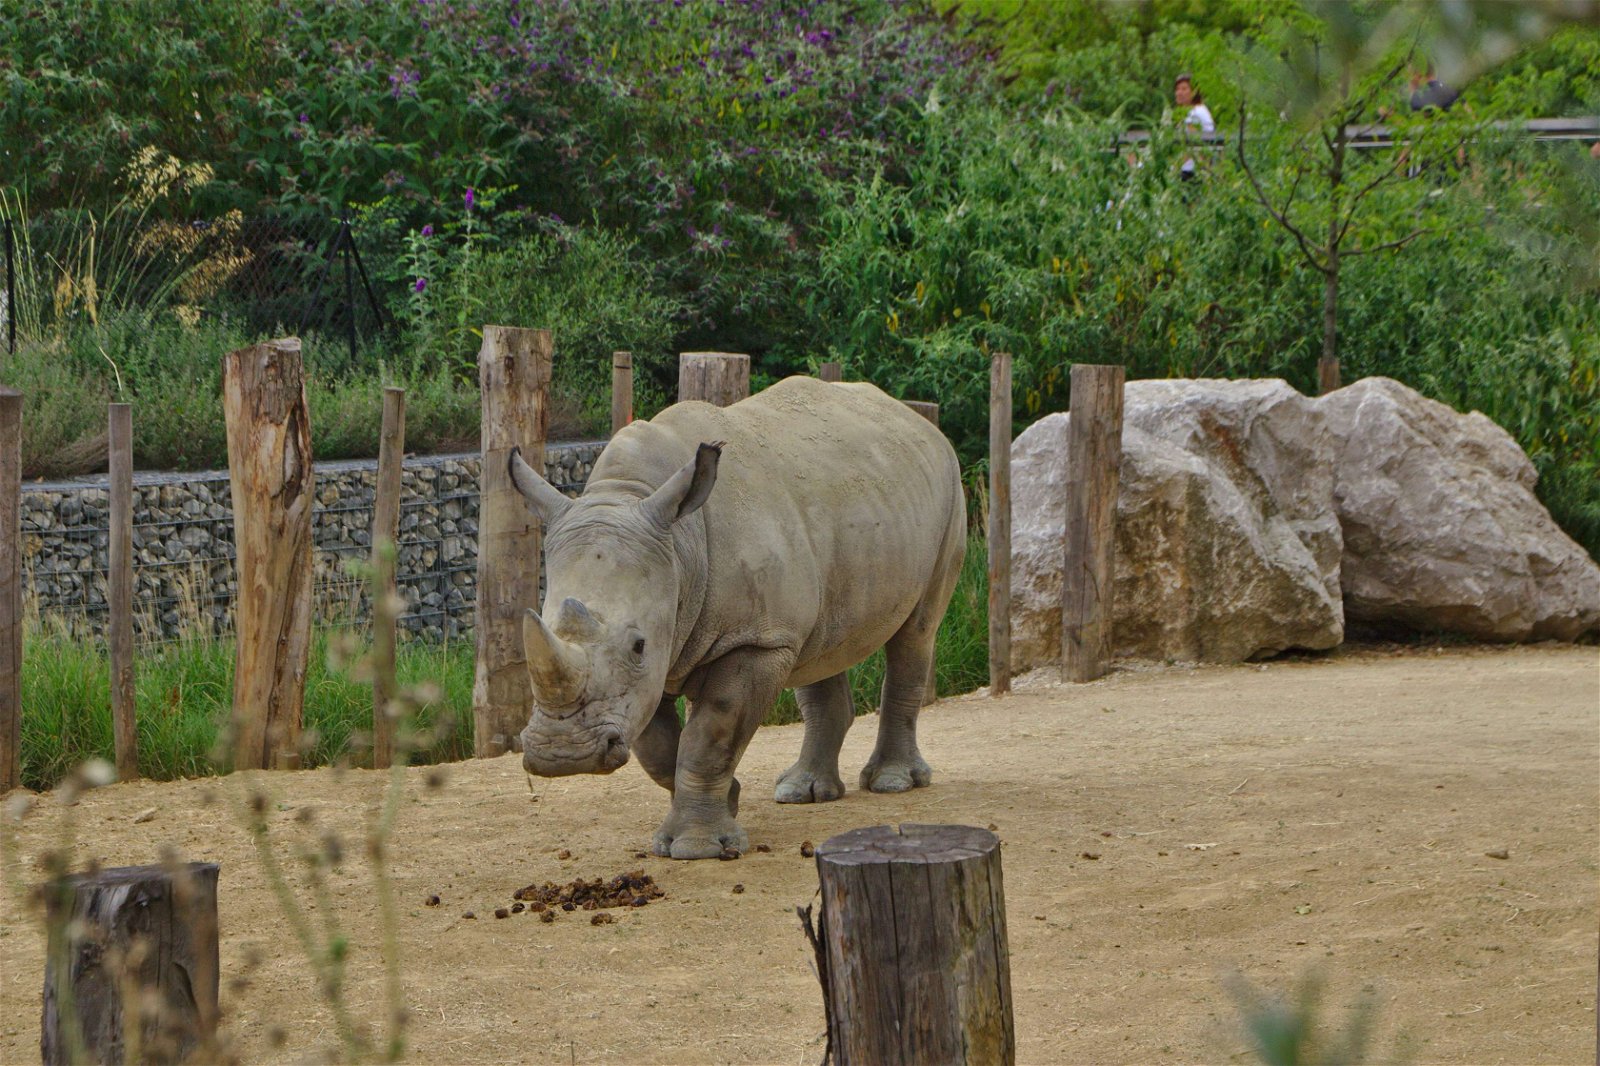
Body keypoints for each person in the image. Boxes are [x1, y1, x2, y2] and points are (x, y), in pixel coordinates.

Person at [1174, 74, 1214, 180]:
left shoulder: (1196, 112)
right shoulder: (1193, 111)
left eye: (1184, 89)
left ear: (1194, 92)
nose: (1179, 93)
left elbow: (1192, 143)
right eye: (1177, 89)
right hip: (1193, 168)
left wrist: (1174, 167)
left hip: (1192, 170)